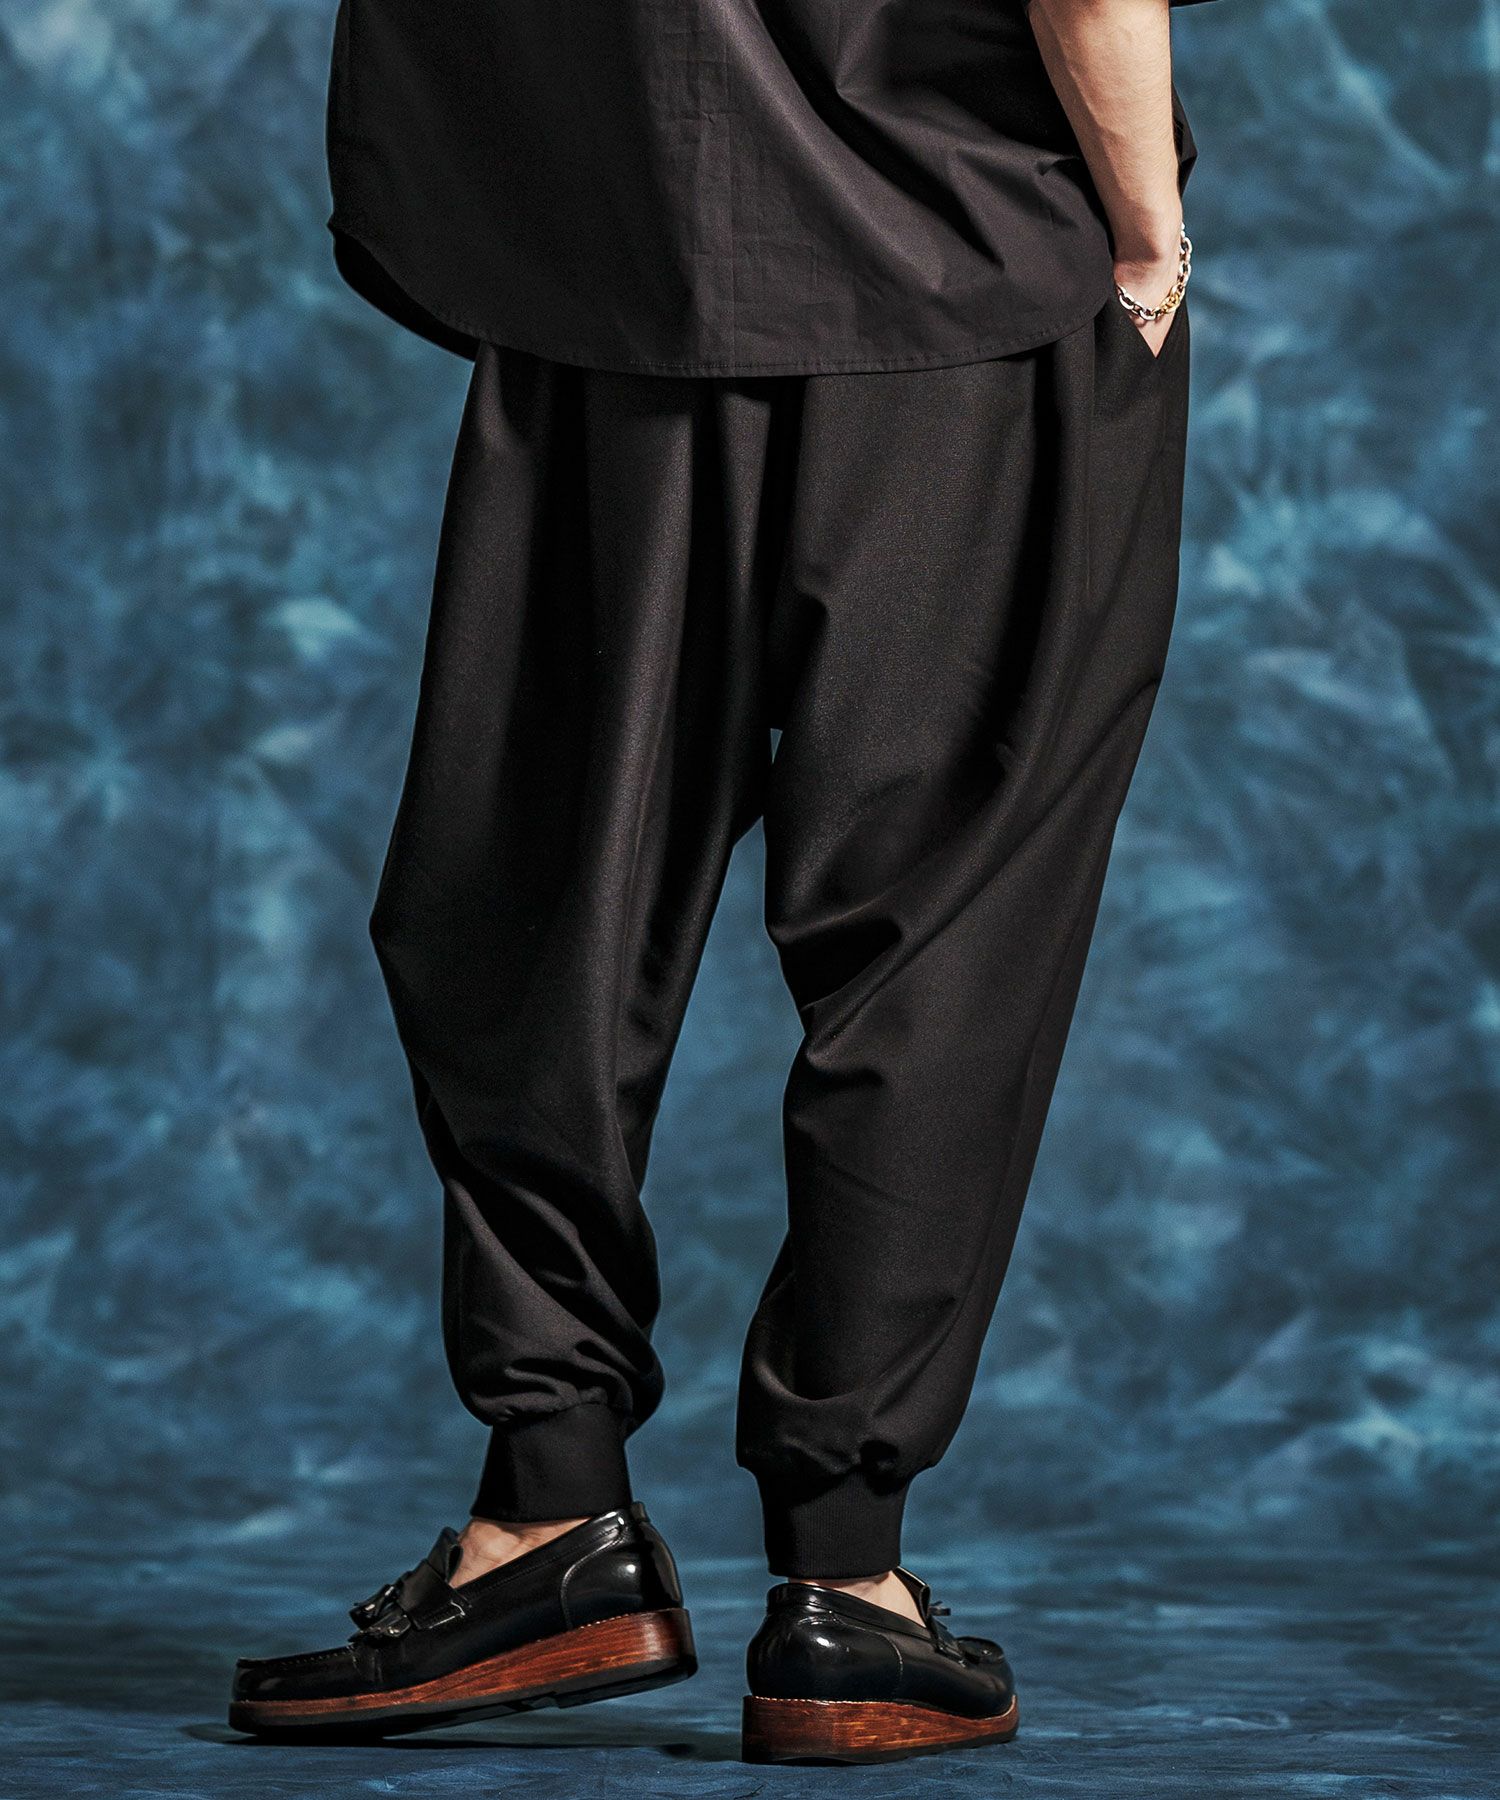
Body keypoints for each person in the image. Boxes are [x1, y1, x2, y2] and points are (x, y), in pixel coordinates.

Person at [229, 0, 1222, 1765]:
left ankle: (550, 1510)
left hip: (613, 254)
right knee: (939, 938)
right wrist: (1148, 235)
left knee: (539, 896)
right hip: (967, 265)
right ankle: (847, 1585)